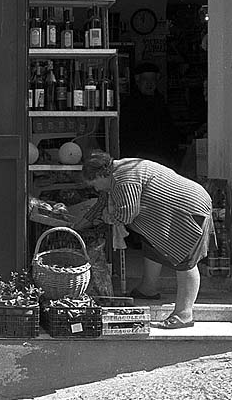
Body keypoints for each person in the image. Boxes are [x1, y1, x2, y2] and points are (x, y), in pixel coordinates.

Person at [81, 150, 213, 330]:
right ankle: (148, 289)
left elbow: (126, 215)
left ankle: (184, 314)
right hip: (169, 212)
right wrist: (78, 225)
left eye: (94, 184)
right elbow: (101, 203)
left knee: (186, 260)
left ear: (100, 174)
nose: (95, 189)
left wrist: (107, 218)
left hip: (188, 208)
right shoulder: (114, 173)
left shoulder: (124, 177)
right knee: (152, 246)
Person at [119, 61, 181, 170]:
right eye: (145, 80)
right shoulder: (129, 105)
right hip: (137, 161)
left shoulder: (161, 102)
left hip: (162, 160)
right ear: (137, 80)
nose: (149, 83)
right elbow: (125, 135)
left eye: (152, 79)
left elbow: (169, 131)